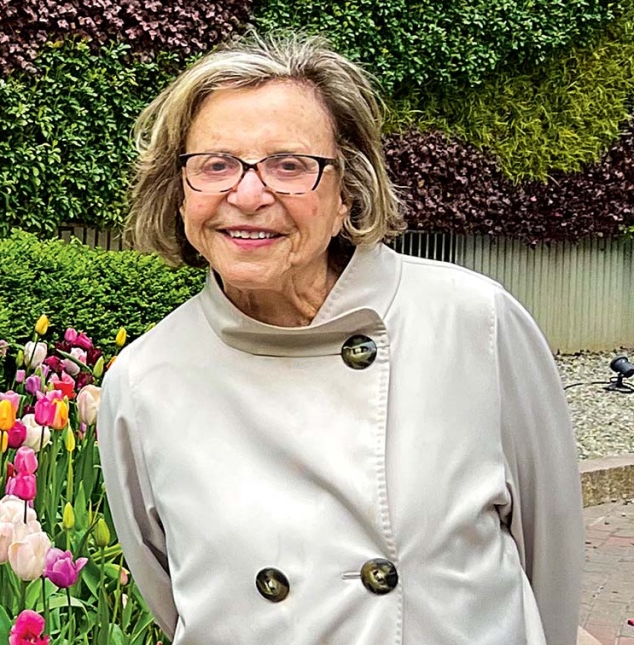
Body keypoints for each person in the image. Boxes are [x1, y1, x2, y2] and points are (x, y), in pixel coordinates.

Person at [97, 30, 584, 645]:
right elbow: (172, 601)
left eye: (290, 166)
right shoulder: (144, 382)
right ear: (179, 191)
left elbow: (551, 567)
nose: (247, 195)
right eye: (215, 165)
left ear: (346, 193)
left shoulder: (473, 323)